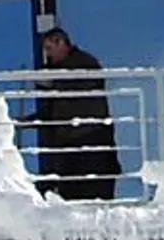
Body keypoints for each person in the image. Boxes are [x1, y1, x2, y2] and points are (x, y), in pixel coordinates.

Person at [28, 22, 119, 202]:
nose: (47, 54)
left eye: (49, 48)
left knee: (95, 194)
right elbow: (53, 110)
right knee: (71, 193)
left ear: (61, 42)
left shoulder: (85, 62)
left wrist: (53, 80)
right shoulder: (63, 68)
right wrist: (28, 120)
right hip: (71, 147)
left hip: (92, 142)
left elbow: (81, 85)